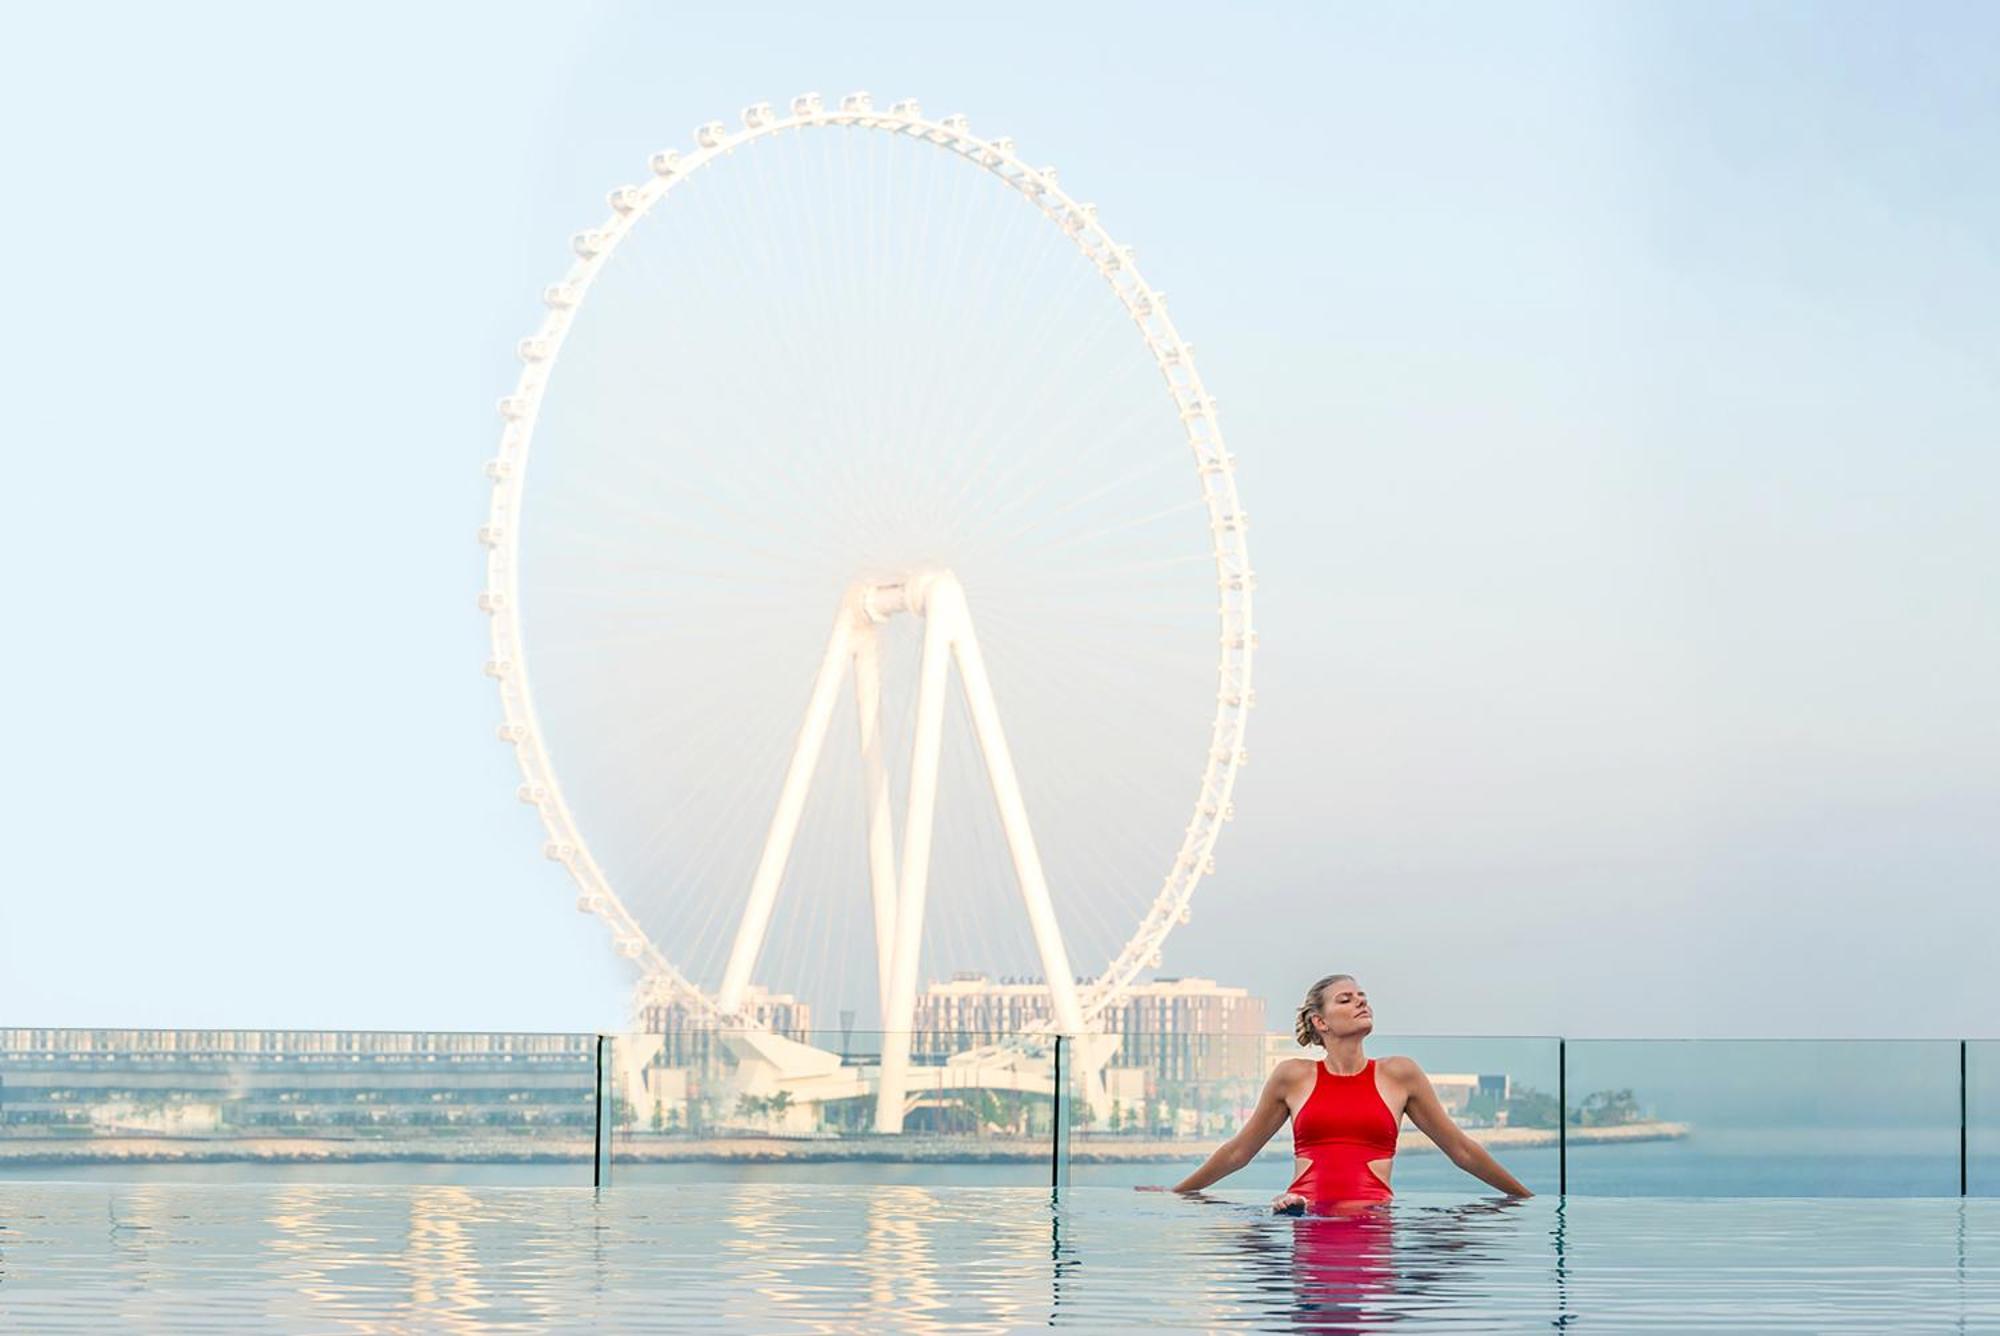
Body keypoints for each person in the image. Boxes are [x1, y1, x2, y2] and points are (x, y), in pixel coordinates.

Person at [1160, 973, 1533, 1211]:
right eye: (1346, 999)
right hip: (1302, 1210)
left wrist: (1525, 1197)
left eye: (1362, 996)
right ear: (1320, 1022)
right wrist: (1177, 1193)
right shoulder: (1292, 1076)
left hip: (1374, 1216)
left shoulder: (1400, 1074)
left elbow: (1462, 1151)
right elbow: (1238, 1152)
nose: (1361, 1001)